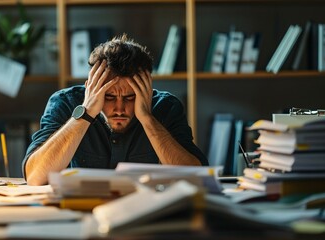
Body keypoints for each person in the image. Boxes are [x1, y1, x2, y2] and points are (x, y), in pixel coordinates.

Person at [23, 34, 208, 185]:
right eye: (109, 97)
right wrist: (85, 114)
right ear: (91, 88)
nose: (119, 108)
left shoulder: (166, 107)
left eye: (130, 97)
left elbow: (197, 176)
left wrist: (147, 118)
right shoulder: (64, 103)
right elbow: (34, 176)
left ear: (146, 91)